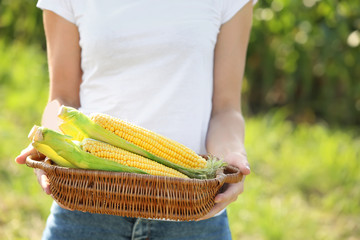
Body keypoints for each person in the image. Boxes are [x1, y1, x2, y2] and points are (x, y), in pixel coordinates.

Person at [15, 0, 256, 239]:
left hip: (193, 211)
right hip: (85, 203)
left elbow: (225, 108)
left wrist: (233, 154)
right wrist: (51, 143)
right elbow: (61, 98)